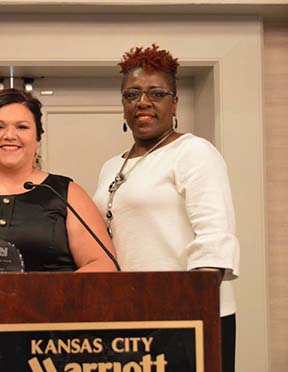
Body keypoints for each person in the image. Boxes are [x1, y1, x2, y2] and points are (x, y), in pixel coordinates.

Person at [0, 88, 117, 370]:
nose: (10, 135)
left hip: (53, 345)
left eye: (22, 127)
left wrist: (36, 296)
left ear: (37, 139)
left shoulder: (66, 193)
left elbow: (103, 265)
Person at [93, 44, 240, 372]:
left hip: (189, 318)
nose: (142, 102)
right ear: (123, 105)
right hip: (129, 318)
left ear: (175, 102)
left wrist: (183, 312)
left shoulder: (195, 152)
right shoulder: (110, 167)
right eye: (132, 94)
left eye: (155, 93)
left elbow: (214, 240)